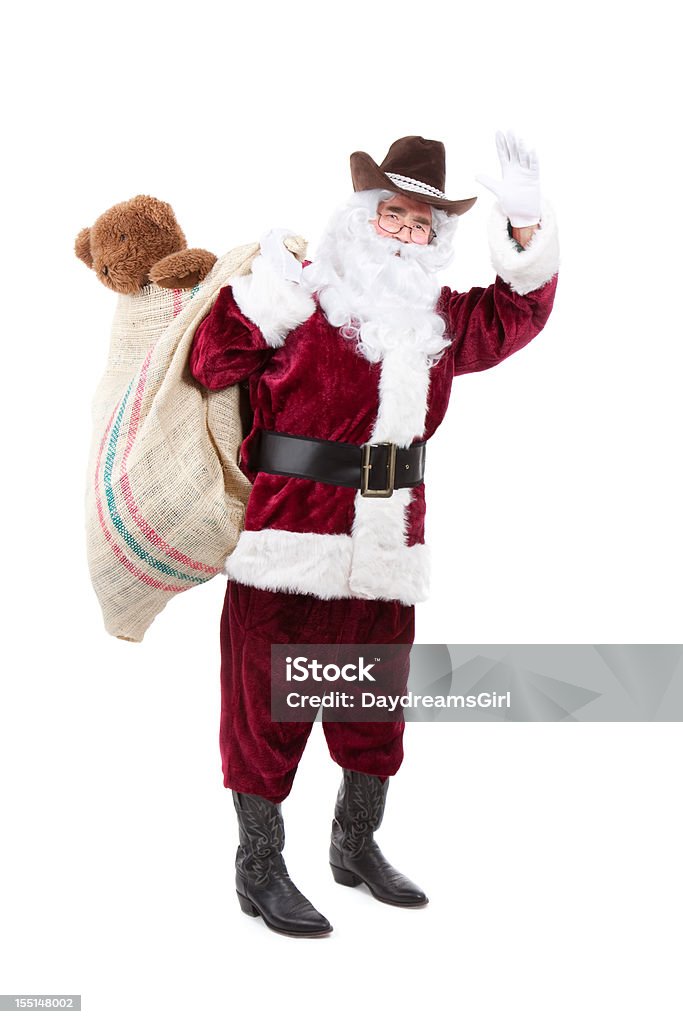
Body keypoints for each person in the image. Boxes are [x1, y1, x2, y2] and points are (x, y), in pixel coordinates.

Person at [189, 132, 559, 938]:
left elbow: (517, 312)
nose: (404, 233)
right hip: (287, 541)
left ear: (436, 242)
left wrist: (524, 225)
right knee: (265, 711)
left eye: (421, 225)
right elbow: (213, 363)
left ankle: (354, 845)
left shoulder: (439, 320)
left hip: (388, 547)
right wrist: (266, 298)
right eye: (391, 215)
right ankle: (259, 866)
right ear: (360, 218)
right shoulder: (301, 294)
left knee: (371, 708)